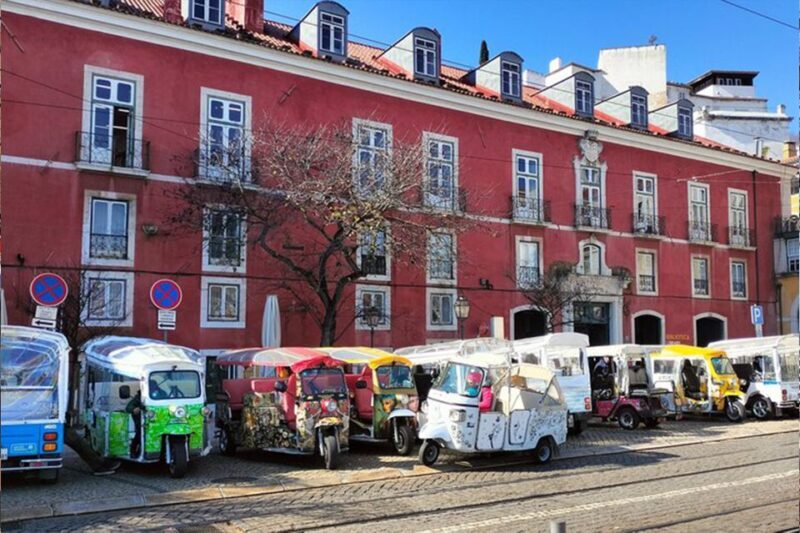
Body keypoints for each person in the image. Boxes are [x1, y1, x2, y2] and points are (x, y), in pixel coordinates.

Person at [125, 390, 144, 458]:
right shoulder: (138, 398)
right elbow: (128, 407)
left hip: (155, 420)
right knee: (139, 435)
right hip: (141, 422)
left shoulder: (160, 393)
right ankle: (133, 452)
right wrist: (134, 409)